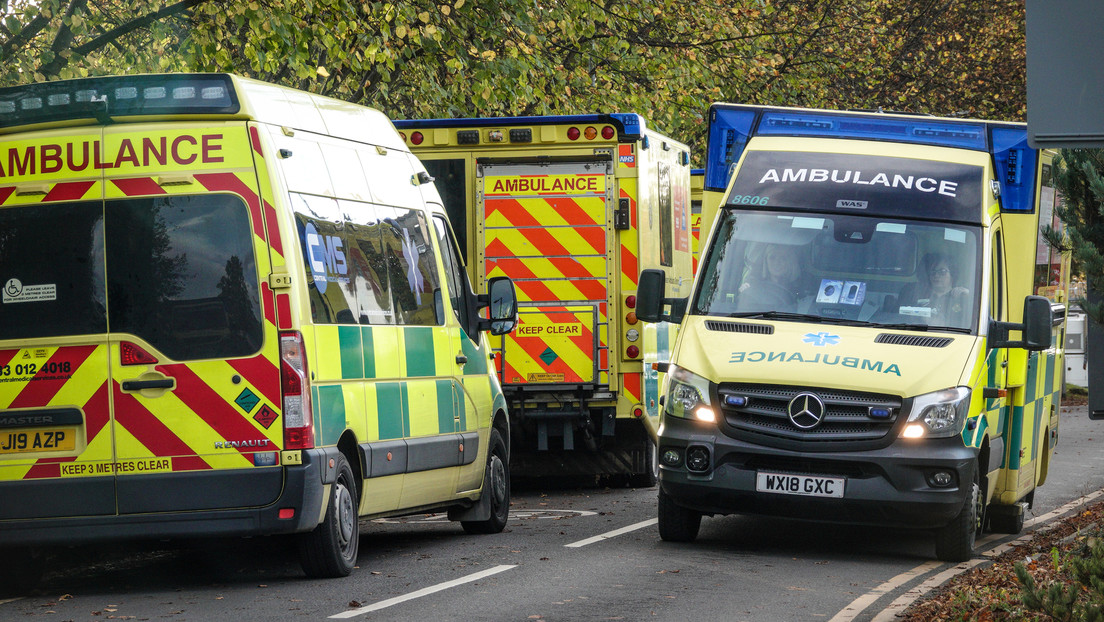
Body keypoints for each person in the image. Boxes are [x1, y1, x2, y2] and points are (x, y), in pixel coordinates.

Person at [901, 252, 969, 326]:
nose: (936, 275)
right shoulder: (915, 293)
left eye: (942, 272)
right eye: (933, 271)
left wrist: (968, 296)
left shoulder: (961, 296)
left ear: (953, 274)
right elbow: (901, 318)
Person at [737, 244, 804, 311]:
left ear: (789, 262)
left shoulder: (800, 289)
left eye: (783, 258)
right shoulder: (753, 284)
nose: (777, 262)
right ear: (766, 261)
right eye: (772, 258)